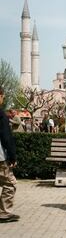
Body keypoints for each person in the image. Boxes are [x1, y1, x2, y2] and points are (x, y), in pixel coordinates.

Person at [0, 87, 19, 223]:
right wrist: (12, 157)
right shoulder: (1, 115)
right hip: (0, 158)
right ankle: (4, 212)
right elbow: (6, 138)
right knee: (10, 183)